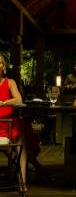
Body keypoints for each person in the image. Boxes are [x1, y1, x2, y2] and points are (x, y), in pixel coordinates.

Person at [0, 54, 27, 190]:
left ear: (3, 67)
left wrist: (4, 102)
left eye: (0, 63)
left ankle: (23, 180)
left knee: (20, 141)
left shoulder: (10, 82)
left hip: (9, 123)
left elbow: (18, 100)